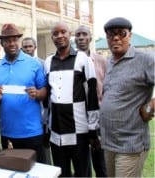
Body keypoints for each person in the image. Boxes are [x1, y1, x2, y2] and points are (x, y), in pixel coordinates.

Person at [100, 17, 155, 177]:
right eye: (111, 35)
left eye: (121, 33)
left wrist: (149, 107)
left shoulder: (145, 59)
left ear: (129, 35)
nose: (115, 38)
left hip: (131, 143)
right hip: (109, 141)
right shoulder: (110, 62)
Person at [44, 21, 99, 177]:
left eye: (63, 32)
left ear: (70, 35)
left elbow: (92, 94)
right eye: (55, 33)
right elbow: (47, 98)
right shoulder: (48, 62)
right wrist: (46, 126)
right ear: (52, 37)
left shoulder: (83, 59)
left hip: (79, 131)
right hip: (56, 133)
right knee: (62, 173)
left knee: (83, 173)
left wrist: (93, 129)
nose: (60, 35)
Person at [0, 23, 47, 163]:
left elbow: (45, 91)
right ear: (2, 43)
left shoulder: (33, 64)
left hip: (32, 131)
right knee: (13, 171)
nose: (12, 43)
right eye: (8, 40)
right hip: (8, 133)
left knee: (38, 171)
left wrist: (37, 93)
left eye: (15, 40)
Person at [74, 25, 107, 177]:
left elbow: (107, 87)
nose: (81, 37)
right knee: (82, 161)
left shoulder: (101, 61)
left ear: (90, 38)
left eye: (84, 34)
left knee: (100, 160)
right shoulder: (70, 61)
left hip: (98, 117)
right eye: (78, 35)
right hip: (77, 118)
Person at [21, 36, 52, 165]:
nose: (28, 49)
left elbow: (47, 87)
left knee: (43, 144)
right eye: (25, 47)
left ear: (35, 47)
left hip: (42, 108)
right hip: (25, 109)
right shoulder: (20, 64)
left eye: (30, 46)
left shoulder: (42, 63)